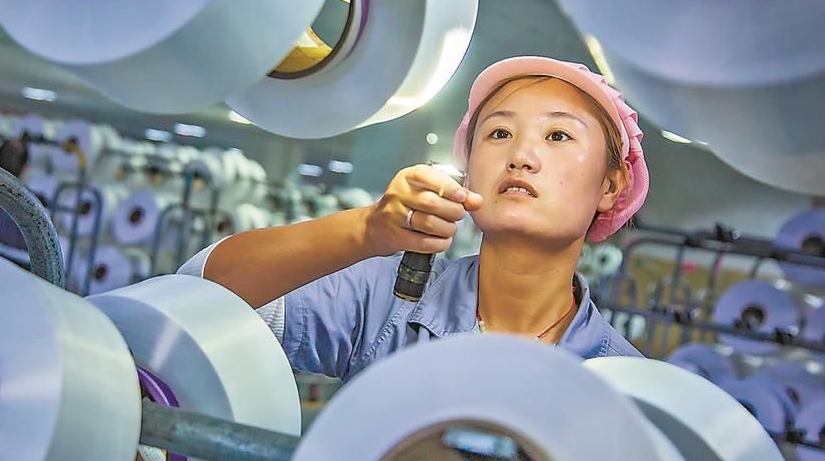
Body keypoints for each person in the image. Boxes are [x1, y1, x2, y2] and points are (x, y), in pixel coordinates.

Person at [179, 56, 650, 381]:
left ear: (611, 187)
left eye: (558, 136)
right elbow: (197, 295)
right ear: (469, 171)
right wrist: (364, 231)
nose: (521, 156)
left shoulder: (623, 384)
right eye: (499, 132)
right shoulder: (387, 301)